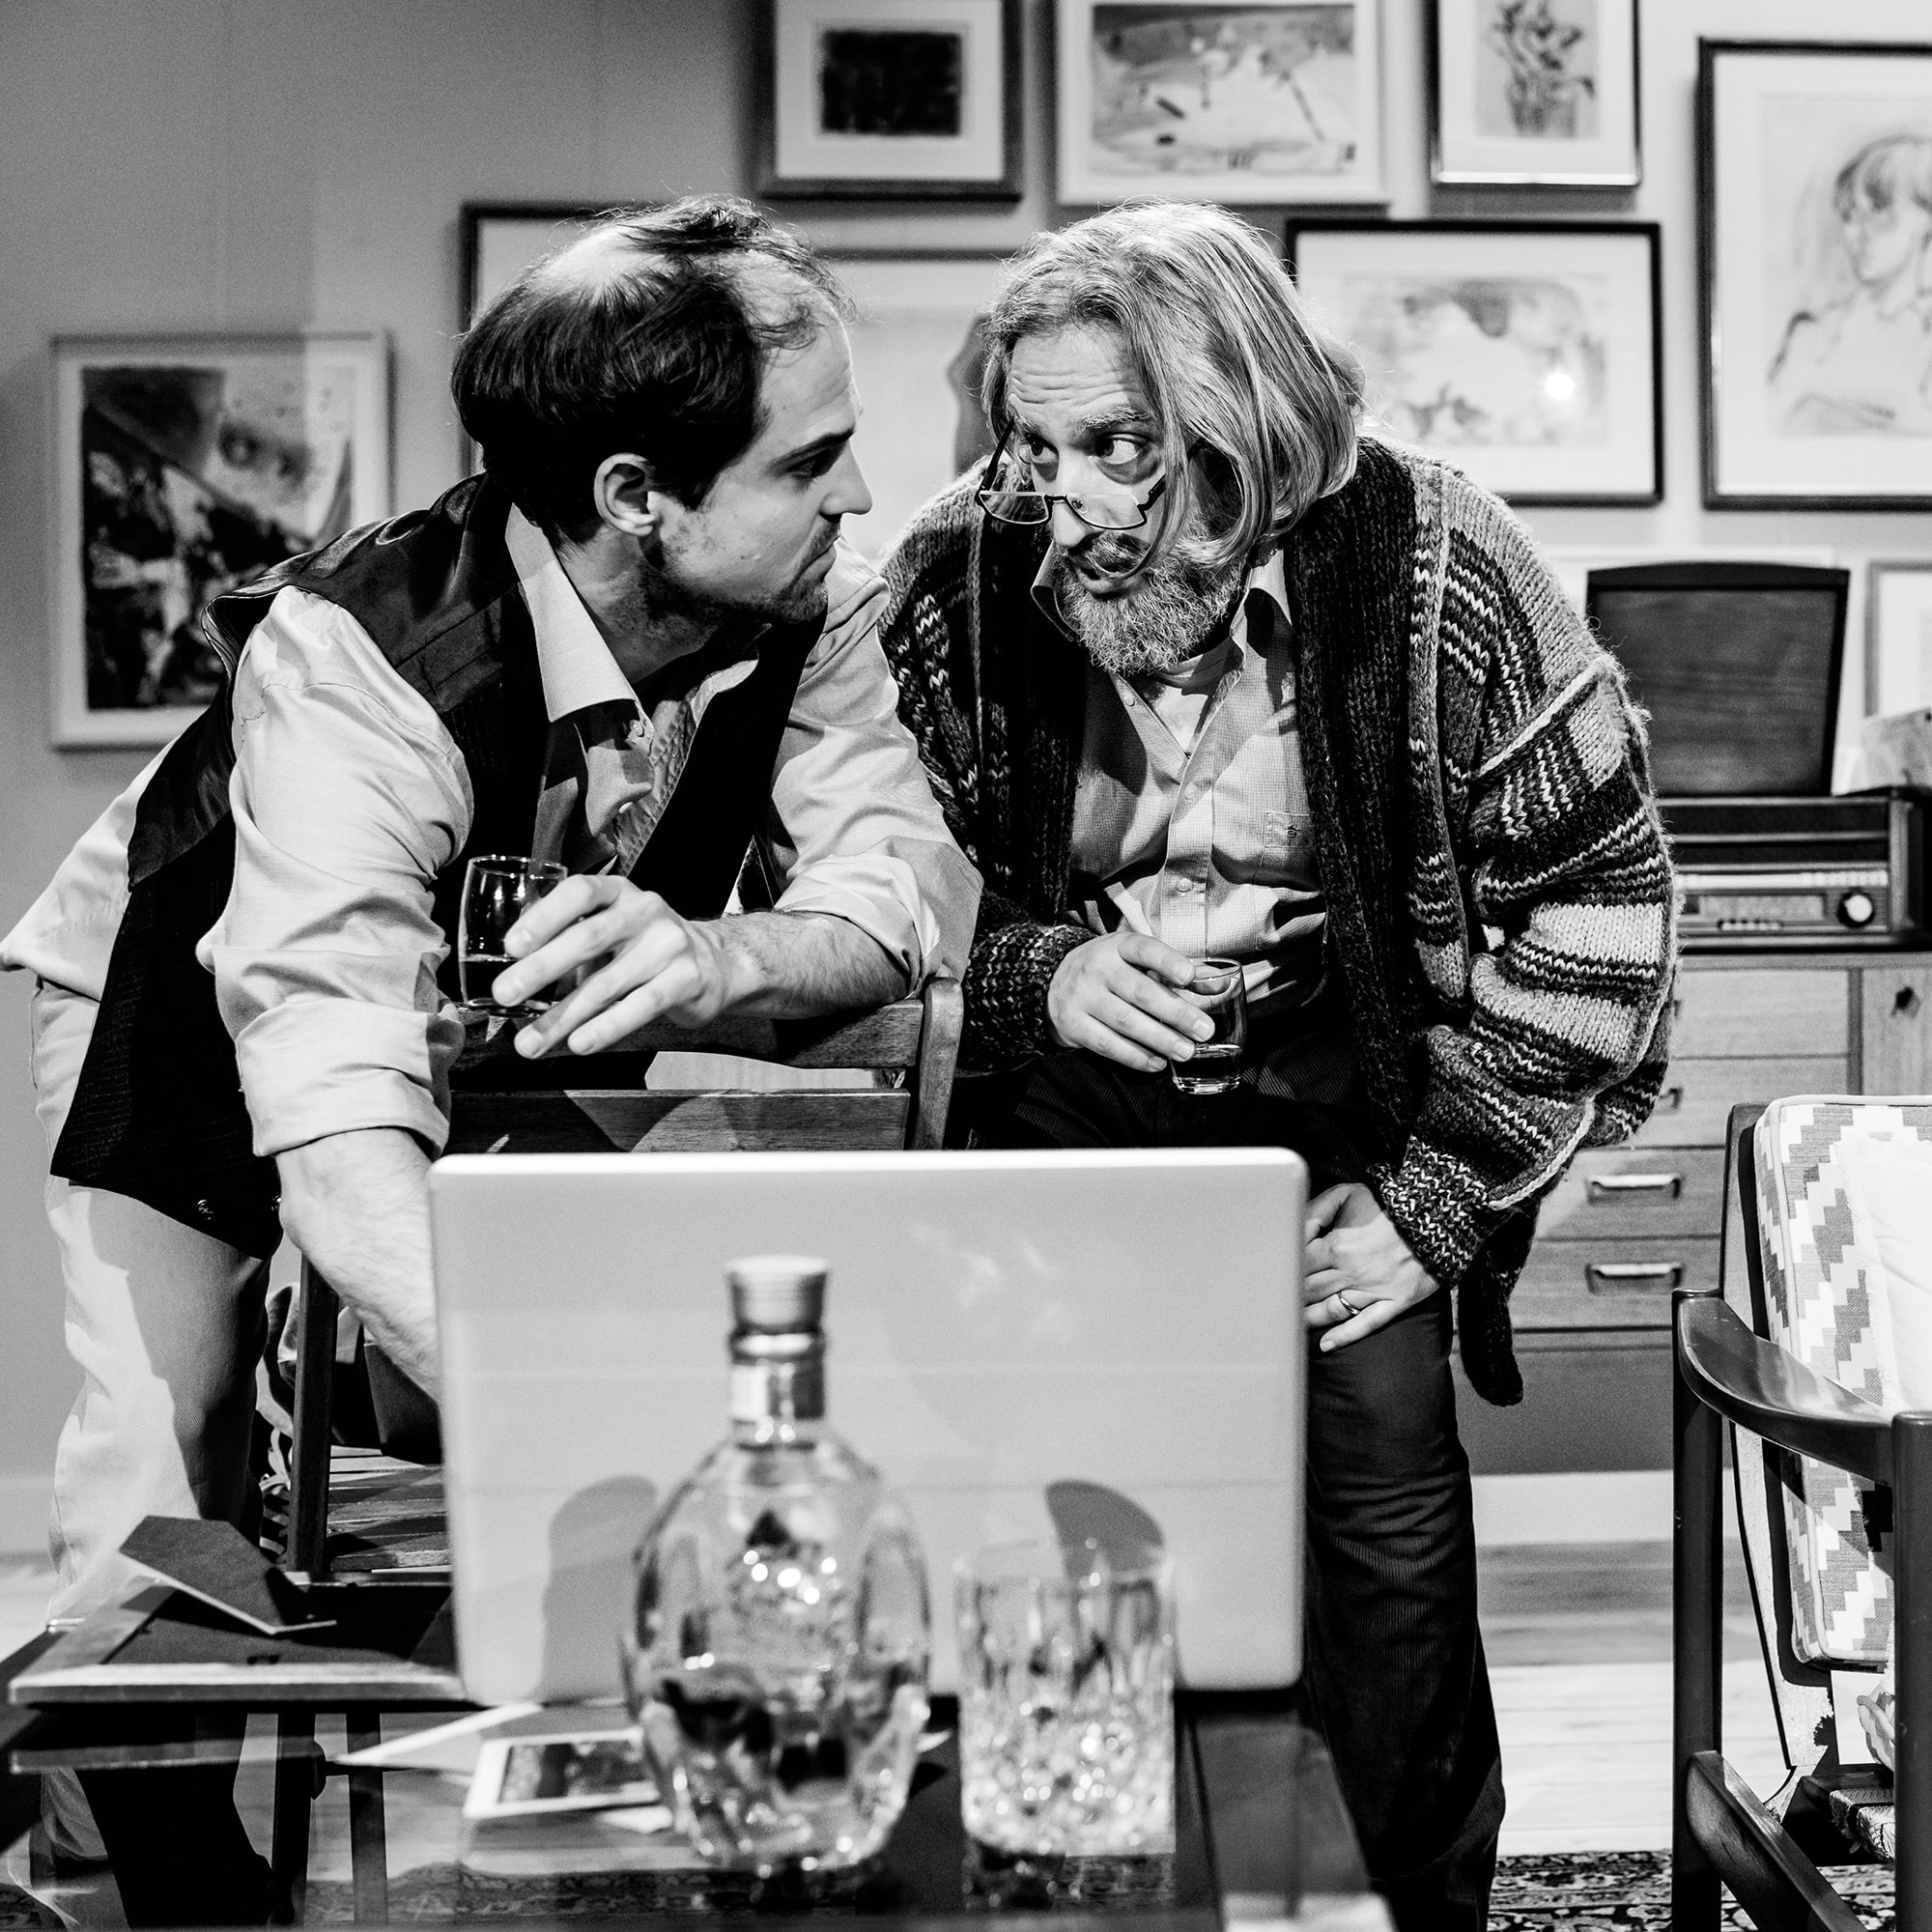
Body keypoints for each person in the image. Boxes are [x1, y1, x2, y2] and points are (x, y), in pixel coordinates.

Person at [2, 195, 978, 1917]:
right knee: (169, 1469)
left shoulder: (807, 596)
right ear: (634, 494)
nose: (858, 495)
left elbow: (894, 894)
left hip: (450, 1028)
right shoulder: (359, 660)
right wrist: (599, 1448)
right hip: (178, 1010)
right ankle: (139, 1885)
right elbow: (334, 1133)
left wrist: (717, 957)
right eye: (810, 459)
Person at [878, 201, 1675, 1930]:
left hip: (1348, 1088)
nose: (1066, 506)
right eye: (1034, 449)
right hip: (1072, 1093)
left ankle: (1404, 1903)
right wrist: (1041, 974)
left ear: (1246, 434)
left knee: (1385, 1507)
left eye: (1121, 450)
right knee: (1058, 1504)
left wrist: (1436, 1204)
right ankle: (1085, 1889)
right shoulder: (957, 578)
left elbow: (1604, 912)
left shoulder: (1441, 563)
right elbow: (871, 900)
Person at [1769, 133, 1932, 437]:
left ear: (1926, 221)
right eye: (1850, 215)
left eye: (1880, 212)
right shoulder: (1814, 332)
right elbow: (1778, 422)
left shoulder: (1925, 336)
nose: (1859, 233)